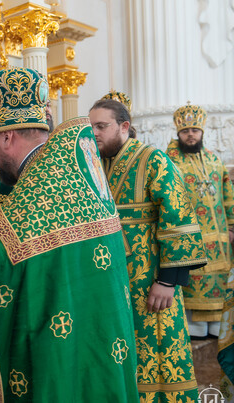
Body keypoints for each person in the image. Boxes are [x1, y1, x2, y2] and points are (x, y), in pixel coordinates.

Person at [0, 67, 138, 402]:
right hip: (101, 339)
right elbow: (43, 255)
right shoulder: (71, 170)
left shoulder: (35, 188)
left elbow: (1, 269)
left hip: (59, 354)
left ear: (7, 137)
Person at [89, 98, 206, 401]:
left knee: (156, 349)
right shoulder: (95, 165)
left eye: (101, 126)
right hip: (110, 280)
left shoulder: (152, 159)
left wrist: (168, 280)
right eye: (91, 127)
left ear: (124, 126)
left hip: (150, 281)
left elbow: (178, 216)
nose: (95, 133)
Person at [165, 103, 234, 339]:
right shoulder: (170, 161)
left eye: (195, 130)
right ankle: (195, 327)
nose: (190, 134)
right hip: (190, 233)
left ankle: (217, 325)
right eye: (186, 131)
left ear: (202, 132)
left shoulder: (215, 161)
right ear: (178, 133)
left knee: (220, 278)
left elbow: (228, 194)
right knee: (194, 278)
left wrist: (233, 224)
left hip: (220, 234)